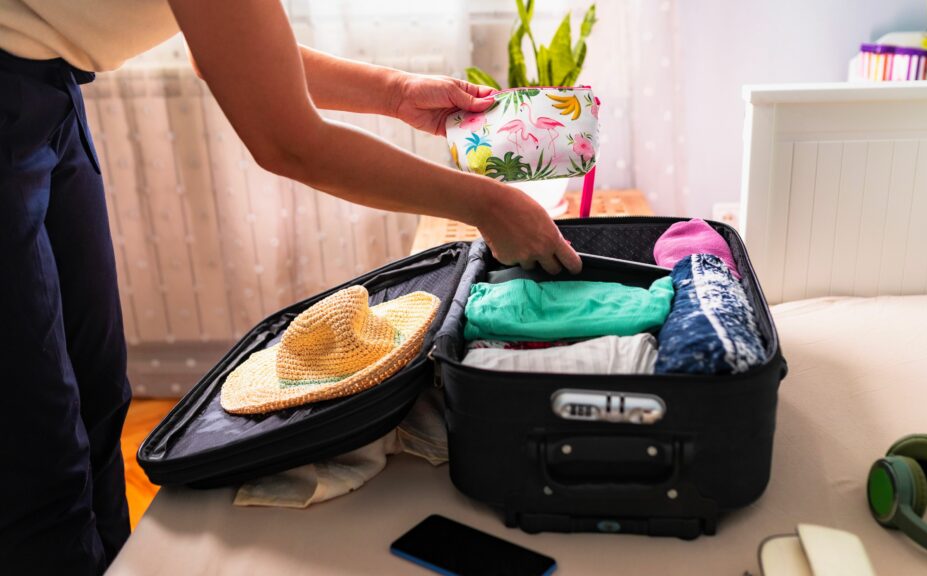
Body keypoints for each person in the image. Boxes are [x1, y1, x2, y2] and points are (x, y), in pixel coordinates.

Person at [0, 1, 582, 573]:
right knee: (37, 444)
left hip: (51, 92)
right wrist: (483, 202)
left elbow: (232, 52)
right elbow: (287, 141)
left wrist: (396, 92)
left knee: (97, 396)